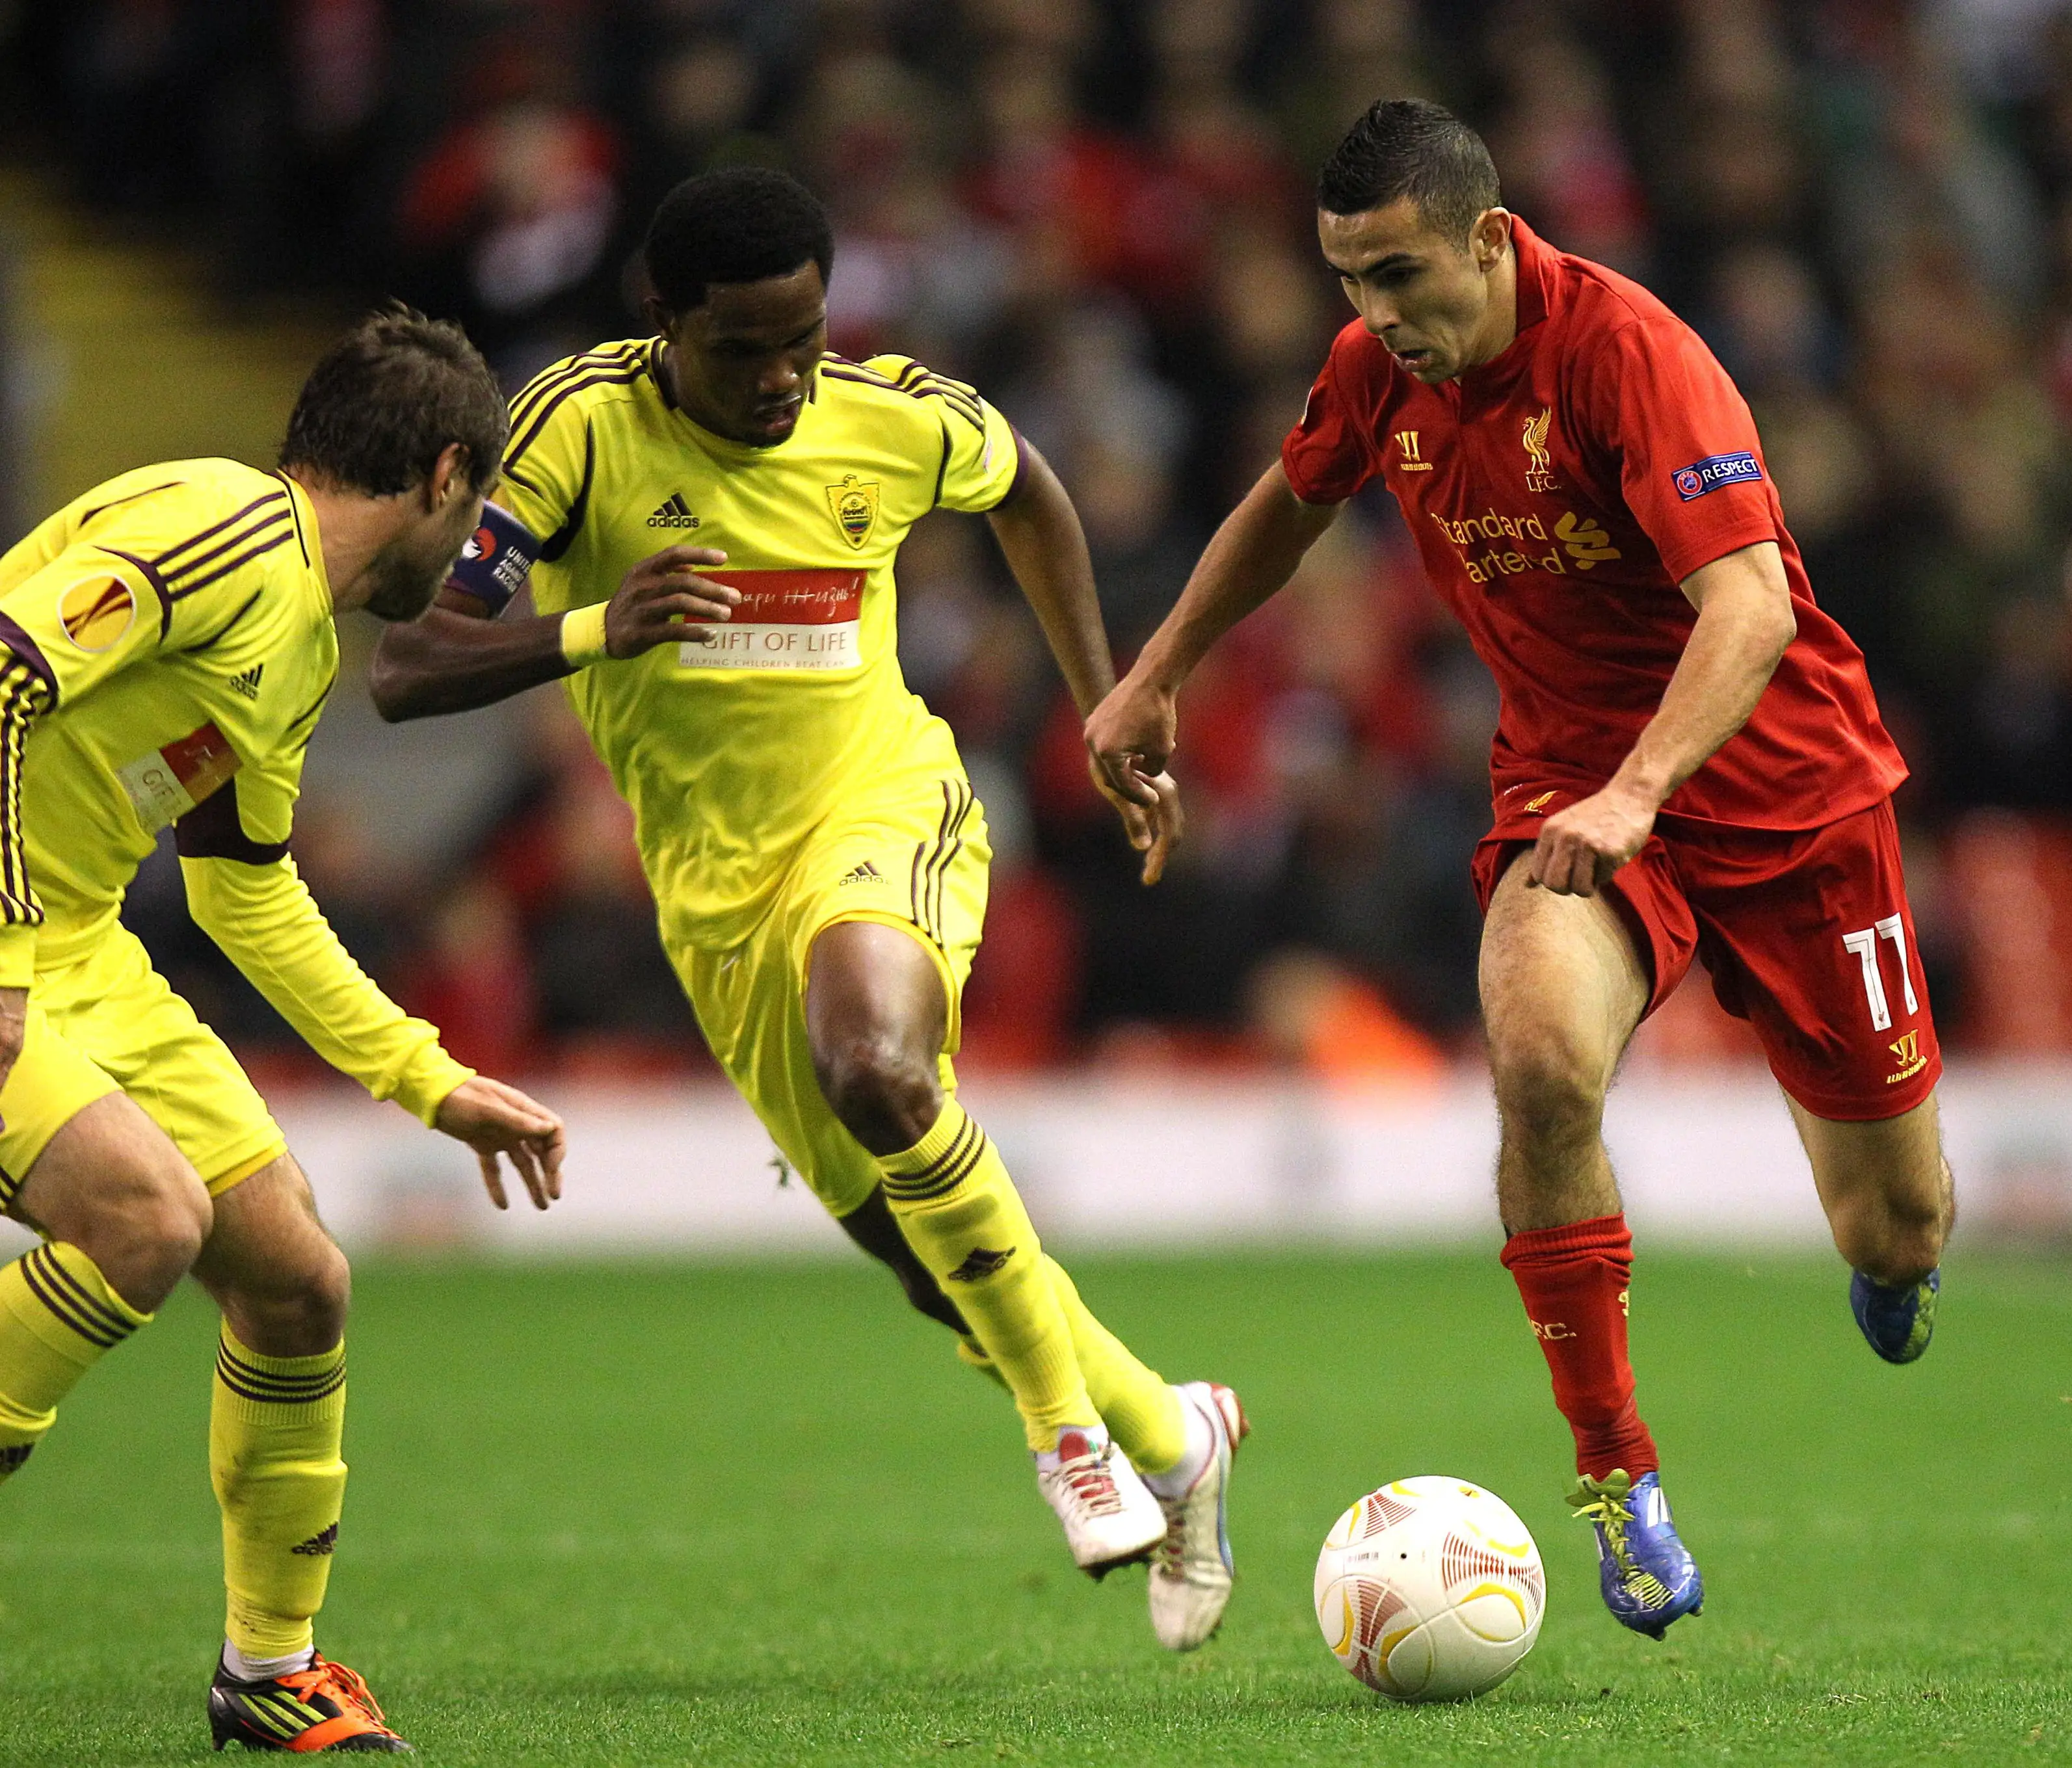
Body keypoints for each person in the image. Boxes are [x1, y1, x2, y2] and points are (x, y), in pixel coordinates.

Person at [1087, 99, 1955, 1641]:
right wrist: (1160, 670)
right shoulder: (1376, 372)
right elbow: (1290, 504)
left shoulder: (1628, 351)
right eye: (1349, 280)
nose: (1378, 316)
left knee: (1899, 1225)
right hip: (1575, 795)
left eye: (1404, 274)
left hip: (1794, 796)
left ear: (1489, 238)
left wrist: (1642, 789)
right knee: (1542, 1062)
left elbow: (1748, 610)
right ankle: (1619, 1476)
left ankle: (1892, 1266)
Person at [367, 167, 1245, 1653]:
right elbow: (409, 664)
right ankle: (1175, 1431)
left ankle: (1066, 1440)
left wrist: (1108, 708)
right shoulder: (576, 430)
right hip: (713, 895)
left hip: (884, 804)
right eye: (745, 350)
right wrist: (596, 624)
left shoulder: (890, 412)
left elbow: (1026, 484)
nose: (783, 379)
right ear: (663, 324)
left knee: (881, 1069)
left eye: (806, 341)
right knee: (922, 1264)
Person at [0, 307, 568, 1752]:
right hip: (10, 931)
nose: (475, 551)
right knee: (144, 1218)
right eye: (481, 507)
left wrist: (430, 1081)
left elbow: (246, 893)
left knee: (299, 1275)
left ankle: (268, 1670)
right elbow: (3, 671)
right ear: (445, 476)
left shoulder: (297, 637)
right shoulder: (224, 529)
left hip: (76, 946)